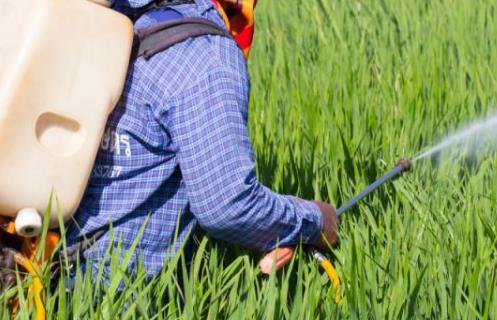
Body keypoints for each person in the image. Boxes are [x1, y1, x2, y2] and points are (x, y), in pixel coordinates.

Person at [64, 0, 338, 281]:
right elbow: (227, 206)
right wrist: (313, 222)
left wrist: (272, 228)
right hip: (119, 293)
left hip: (39, 272)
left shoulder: (102, 20)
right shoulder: (204, 53)